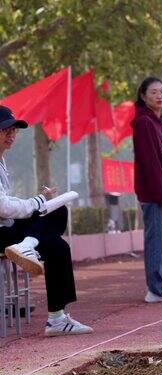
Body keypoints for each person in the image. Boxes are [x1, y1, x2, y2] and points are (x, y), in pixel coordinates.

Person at [0, 106, 92, 336]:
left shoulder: (1, 162)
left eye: (14, 131)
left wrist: (41, 203)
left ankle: (56, 319)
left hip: (6, 228)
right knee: (51, 221)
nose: (11, 135)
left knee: (57, 239)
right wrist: (37, 201)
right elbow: (3, 206)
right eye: (5, 130)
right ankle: (27, 245)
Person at [132, 76, 162, 303]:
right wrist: (161, 191)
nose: (159, 95)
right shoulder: (143, 123)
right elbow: (149, 162)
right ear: (143, 96)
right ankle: (156, 288)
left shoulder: (159, 122)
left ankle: (160, 285)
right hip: (153, 194)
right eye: (153, 92)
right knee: (156, 240)